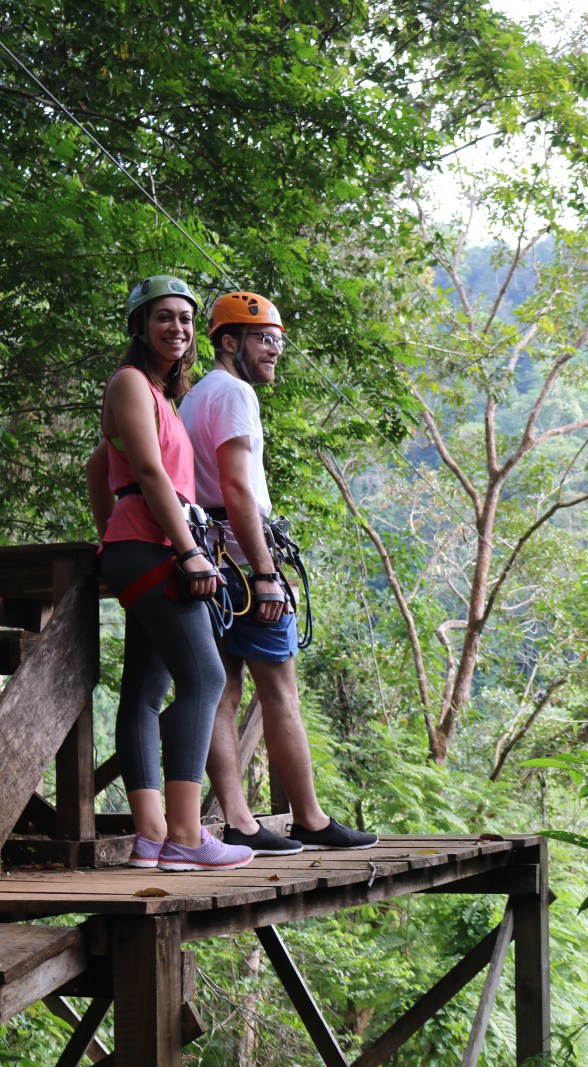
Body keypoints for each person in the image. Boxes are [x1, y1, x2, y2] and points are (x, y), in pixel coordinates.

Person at [179, 290, 378, 852]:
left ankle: (240, 822)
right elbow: (238, 487)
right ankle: (309, 818)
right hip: (243, 563)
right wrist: (266, 573)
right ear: (229, 341)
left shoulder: (193, 398)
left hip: (208, 558)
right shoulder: (235, 393)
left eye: (278, 343)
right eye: (265, 339)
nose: (274, 351)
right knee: (280, 692)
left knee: (221, 691)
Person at [85, 274, 254, 872]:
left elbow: (98, 465)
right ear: (139, 325)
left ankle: (152, 836)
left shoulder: (156, 395)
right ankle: (185, 835)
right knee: (205, 677)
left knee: (145, 690)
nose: (177, 327)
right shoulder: (130, 382)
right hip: (156, 546)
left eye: (185, 318)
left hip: (141, 543)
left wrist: (111, 536)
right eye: (163, 316)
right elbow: (151, 475)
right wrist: (188, 552)